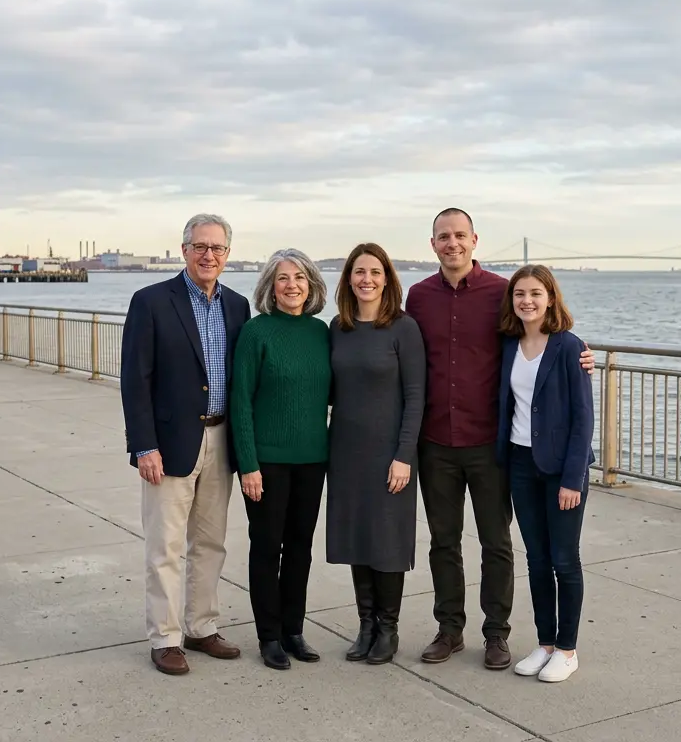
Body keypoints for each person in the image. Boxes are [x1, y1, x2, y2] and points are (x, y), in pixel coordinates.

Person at [405, 208, 595, 670]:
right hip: (436, 441)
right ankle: (449, 630)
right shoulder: (418, 296)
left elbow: (543, 333)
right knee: (443, 542)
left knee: (497, 542)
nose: (452, 243)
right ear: (433, 244)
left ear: (474, 240)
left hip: (491, 444)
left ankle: (497, 635)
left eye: (460, 236)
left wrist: (582, 353)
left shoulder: (500, 293)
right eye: (443, 237)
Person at [119, 213, 251, 677]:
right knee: (165, 546)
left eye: (217, 248)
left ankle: (200, 626)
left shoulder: (237, 306)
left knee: (211, 543)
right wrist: (143, 446)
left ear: (227, 255)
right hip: (171, 443)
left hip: (221, 439)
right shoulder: (151, 301)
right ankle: (166, 636)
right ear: (184, 250)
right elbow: (135, 380)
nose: (208, 255)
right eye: (200, 246)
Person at [229, 248, 332, 670]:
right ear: (270, 286)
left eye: (300, 278)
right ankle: (268, 636)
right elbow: (241, 402)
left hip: (312, 459)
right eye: (283, 278)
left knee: (301, 549)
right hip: (267, 463)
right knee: (267, 547)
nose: (292, 286)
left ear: (312, 285)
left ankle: (294, 630)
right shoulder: (257, 332)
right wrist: (248, 464)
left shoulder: (321, 332)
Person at [326, 242, 426, 665]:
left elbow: (416, 396)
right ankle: (365, 625)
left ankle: (388, 627)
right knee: (357, 537)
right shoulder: (337, 327)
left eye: (375, 272)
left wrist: (404, 454)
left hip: (390, 454)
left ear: (388, 279)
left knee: (386, 539)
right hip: (346, 451)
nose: (366, 279)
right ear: (348, 279)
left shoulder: (404, 328)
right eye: (359, 272)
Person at [495, 265, 595, 683]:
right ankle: (545, 644)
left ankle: (568, 650)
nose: (527, 301)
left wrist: (573, 478)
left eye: (536, 293)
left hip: (560, 470)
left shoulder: (570, 347)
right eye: (519, 294)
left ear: (551, 298)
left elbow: (583, 417)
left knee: (564, 560)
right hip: (520, 464)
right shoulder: (508, 345)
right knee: (536, 560)